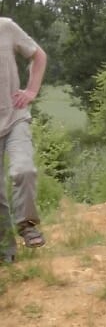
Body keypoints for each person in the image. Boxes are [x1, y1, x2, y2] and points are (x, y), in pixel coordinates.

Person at [1, 17, 47, 264]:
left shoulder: (6, 27)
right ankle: (5, 250)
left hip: (15, 117)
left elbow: (38, 55)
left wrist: (31, 91)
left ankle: (27, 225)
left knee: (23, 170)